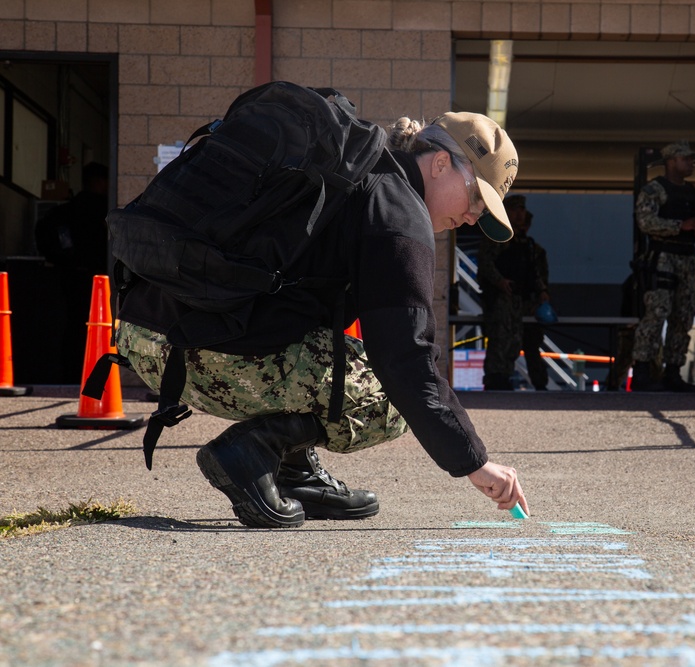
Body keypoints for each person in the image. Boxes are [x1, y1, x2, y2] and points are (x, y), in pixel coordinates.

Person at [114, 110, 530, 527]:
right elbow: (405, 359)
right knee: (390, 397)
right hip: (195, 353)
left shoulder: (354, 169)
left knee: (336, 350)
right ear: (440, 164)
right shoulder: (398, 212)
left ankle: (294, 472)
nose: (474, 216)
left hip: (142, 336)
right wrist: (475, 462)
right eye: (477, 197)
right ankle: (253, 451)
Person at [631, 140, 695, 392]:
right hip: (662, 257)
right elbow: (645, 221)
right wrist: (679, 226)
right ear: (671, 161)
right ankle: (642, 369)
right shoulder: (654, 189)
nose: (691, 163)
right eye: (686, 159)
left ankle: (673, 371)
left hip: (688, 258)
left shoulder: (693, 192)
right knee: (657, 313)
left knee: (684, 315)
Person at [34, 162, 110, 382]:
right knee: (101, 325)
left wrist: (61, 261)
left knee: (74, 326)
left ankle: (72, 373)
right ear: (98, 181)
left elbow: (45, 236)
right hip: (99, 277)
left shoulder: (65, 211)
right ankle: (97, 374)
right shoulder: (104, 208)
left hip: (70, 277)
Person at [477, 196, 550, 391]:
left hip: (519, 300)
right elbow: (485, 264)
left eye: (522, 210)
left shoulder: (526, 243)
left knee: (515, 341)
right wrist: (499, 281)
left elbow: (534, 271)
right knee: (500, 338)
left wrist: (542, 291)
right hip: (500, 299)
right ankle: (495, 379)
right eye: (515, 210)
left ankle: (505, 376)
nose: (519, 214)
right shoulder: (497, 235)